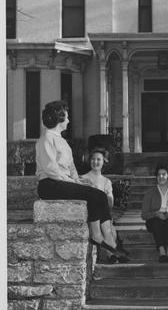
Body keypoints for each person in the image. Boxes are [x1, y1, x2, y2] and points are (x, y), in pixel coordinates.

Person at [35, 100, 125, 262]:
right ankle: (98, 235)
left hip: (62, 182)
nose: (69, 121)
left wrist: (77, 180)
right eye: (67, 117)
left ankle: (108, 238)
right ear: (59, 119)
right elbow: (51, 169)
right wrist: (73, 182)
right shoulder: (46, 138)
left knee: (99, 195)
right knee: (97, 196)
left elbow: (71, 168)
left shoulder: (62, 141)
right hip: (49, 185)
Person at [80, 147, 129, 263]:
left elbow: (110, 204)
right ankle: (113, 254)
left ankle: (112, 256)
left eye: (98, 159)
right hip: (90, 216)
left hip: (104, 214)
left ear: (103, 162)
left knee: (110, 230)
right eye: (93, 159)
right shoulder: (83, 179)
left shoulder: (106, 181)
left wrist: (106, 198)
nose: (95, 162)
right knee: (107, 230)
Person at [141, 163, 168, 263]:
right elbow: (144, 215)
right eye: (158, 174)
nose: (161, 177)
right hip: (154, 221)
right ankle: (162, 252)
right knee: (156, 221)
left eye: (163, 174)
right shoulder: (150, 193)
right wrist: (156, 214)